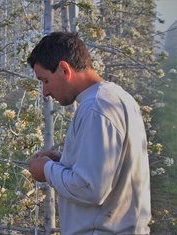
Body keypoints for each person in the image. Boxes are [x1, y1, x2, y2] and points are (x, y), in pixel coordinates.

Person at [26, 32, 151, 234]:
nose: (45, 92)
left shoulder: (96, 109)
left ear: (64, 69)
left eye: (45, 81)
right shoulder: (116, 97)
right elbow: (109, 167)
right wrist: (62, 160)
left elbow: (91, 189)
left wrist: (47, 170)